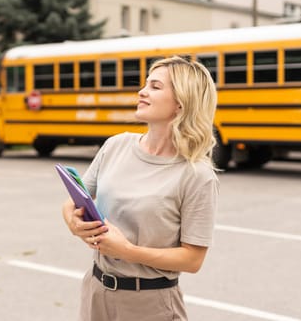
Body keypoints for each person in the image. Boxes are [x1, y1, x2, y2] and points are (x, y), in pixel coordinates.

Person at [62, 56, 219, 320]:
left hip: (149, 304)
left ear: (181, 102)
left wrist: (127, 251)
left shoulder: (197, 175)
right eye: (145, 84)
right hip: (95, 291)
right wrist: (73, 223)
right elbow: (74, 200)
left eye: (155, 87)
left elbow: (192, 260)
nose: (142, 91)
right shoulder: (116, 145)